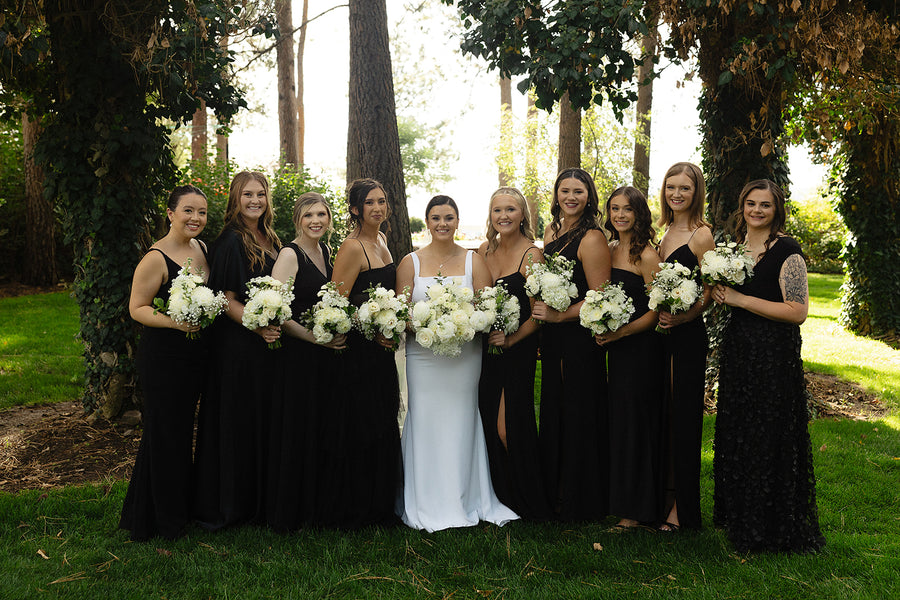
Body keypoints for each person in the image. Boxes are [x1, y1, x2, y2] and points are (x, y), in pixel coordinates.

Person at [712, 180, 825, 553]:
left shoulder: (787, 251)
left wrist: (741, 300)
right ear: (741, 206)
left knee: (768, 434)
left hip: (773, 355)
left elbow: (798, 311)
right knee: (740, 430)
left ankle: (771, 526)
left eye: (765, 205)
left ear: (776, 209)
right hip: (740, 350)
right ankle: (742, 519)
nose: (757, 210)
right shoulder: (732, 249)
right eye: (751, 203)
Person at [397, 195, 519, 532]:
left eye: (448, 217)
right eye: (435, 217)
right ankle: (424, 500)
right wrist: (430, 326)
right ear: (427, 221)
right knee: (425, 419)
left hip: (465, 356)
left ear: (457, 220)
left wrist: (460, 323)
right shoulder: (410, 262)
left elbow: (485, 309)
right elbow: (400, 313)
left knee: (462, 418)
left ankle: (467, 496)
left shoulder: (472, 261)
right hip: (423, 356)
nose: (442, 224)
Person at [120, 185, 211, 541]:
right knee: (166, 434)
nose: (196, 218)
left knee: (178, 431)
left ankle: (154, 510)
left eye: (202, 212)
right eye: (188, 211)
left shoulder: (202, 249)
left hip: (195, 355)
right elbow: (137, 308)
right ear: (171, 213)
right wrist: (176, 322)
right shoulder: (156, 258)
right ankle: (163, 520)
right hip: (164, 358)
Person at [193, 171, 282, 530]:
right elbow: (225, 299)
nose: (255, 201)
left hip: (265, 345)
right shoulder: (230, 240)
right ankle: (233, 504)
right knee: (238, 421)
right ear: (235, 198)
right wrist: (258, 325)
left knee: (260, 419)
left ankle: (259, 499)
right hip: (239, 345)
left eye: (260, 194)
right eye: (247, 195)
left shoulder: (269, 236)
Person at [534, 168, 612, 521]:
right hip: (552, 337)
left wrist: (559, 316)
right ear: (556, 195)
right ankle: (555, 490)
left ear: (589, 196)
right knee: (555, 407)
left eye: (578, 191)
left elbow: (599, 296)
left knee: (578, 410)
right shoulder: (552, 230)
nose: (570, 197)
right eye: (564, 190)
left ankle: (582, 498)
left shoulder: (592, 237)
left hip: (578, 335)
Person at [267, 193, 345, 531]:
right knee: (298, 428)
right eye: (309, 215)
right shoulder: (289, 254)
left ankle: (319, 504)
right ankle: (292, 510)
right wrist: (314, 337)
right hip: (298, 355)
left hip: (323, 357)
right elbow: (276, 311)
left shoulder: (325, 251)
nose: (316, 221)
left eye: (322, 215)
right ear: (298, 218)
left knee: (320, 425)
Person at [328, 178, 402, 528]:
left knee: (383, 419)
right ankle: (357, 507)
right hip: (359, 352)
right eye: (370, 202)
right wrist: (372, 330)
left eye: (382, 201)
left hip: (381, 349)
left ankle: (381, 502)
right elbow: (336, 305)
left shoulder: (382, 241)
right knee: (363, 424)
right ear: (356, 209)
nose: (377, 208)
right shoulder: (352, 247)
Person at [476, 187, 550, 520]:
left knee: (510, 427)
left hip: (516, 350)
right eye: (497, 210)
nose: (503, 216)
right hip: (484, 351)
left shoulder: (532, 255)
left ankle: (528, 501)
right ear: (490, 216)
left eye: (510, 210)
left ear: (523, 215)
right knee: (488, 424)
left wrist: (511, 340)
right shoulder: (482, 251)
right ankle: (498, 498)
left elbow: (539, 314)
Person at [595, 186, 663, 530]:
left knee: (635, 424)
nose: (620, 215)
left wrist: (621, 333)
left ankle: (636, 512)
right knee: (620, 423)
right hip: (617, 349)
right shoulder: (609, 249)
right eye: (614, 209)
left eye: (627, 210)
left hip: (640, 349)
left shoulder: (646, 255)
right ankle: (622, 501)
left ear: (639, 214)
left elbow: (656, 311)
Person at [655, 162, 715, 531]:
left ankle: (682, 510)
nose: (677, 194)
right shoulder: (662, 231)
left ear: (697, 193)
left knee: (682, 418)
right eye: (671, 187)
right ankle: (659, 498)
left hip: (686, 335)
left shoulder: (700, 235)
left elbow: (710, 291)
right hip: (659, 334)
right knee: (661, 415)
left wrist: (684, 316)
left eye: (685, 188)